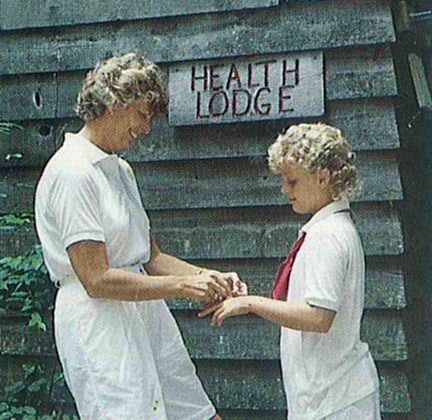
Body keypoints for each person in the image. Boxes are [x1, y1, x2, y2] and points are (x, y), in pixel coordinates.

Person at [35, 53, 246, 420]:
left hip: (145, 309)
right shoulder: (72, 172)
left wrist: (205, 277)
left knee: (195, 412)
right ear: (115, 104)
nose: (146, 128)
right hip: (99, 321)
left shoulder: (120, 171)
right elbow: (96, 279)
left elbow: (151, 257)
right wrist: (182, 287)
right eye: (143, 115)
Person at [200, 123, 381, 420]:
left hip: (336, 400)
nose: (285, 190)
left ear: (323, 178)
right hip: (324, 394)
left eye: (292, 181)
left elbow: (319, 317)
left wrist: (249, 303)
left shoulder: (329, 235)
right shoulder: (327, 228)